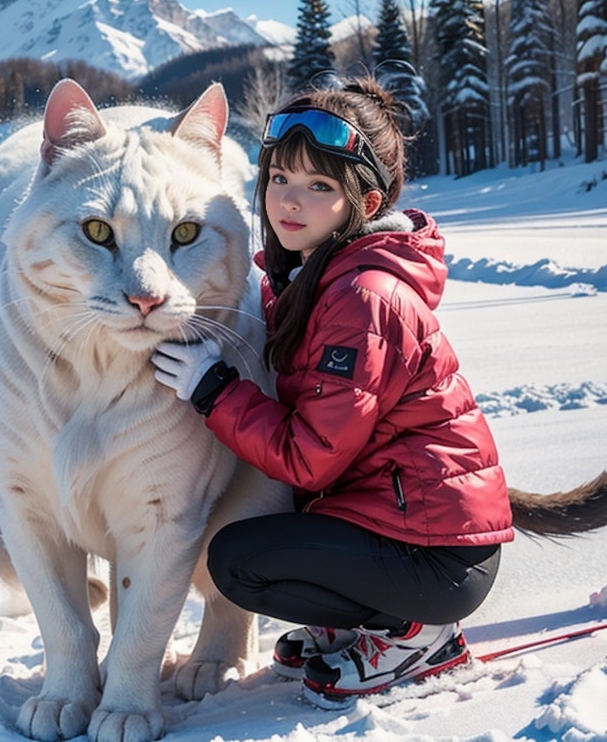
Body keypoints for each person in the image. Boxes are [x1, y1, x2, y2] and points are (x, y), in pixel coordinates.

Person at [150, 76, 513, 708]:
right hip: (405, 530)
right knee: (256, 545)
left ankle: (414, 635)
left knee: (238, 561)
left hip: (435, 559)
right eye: (280, 179)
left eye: (320, 187)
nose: (290, 202)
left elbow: (309, 457)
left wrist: (212, 389)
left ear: (364, 203)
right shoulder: (310, 275)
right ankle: (359, 618)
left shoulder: (363, 297)